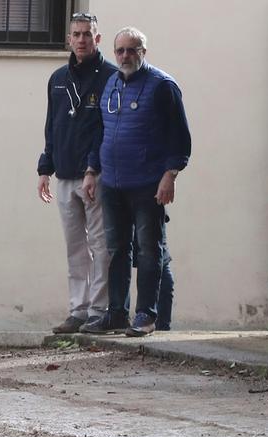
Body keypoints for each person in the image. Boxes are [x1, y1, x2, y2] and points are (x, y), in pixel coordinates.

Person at [81, 26, 191, 336]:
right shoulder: (112, 84)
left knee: (148, 250)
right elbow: (100, 131)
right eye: (120, 51)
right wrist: (92, 171)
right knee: (116, 250)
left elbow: (179, 137)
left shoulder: (162, 86)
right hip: (113, 184)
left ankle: (146, 315)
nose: (125, 56)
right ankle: (117, 314)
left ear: (143, 52)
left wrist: (170, 175)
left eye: (132, 50)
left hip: (148, 184)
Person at [37, 12, 117, 334]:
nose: (82, 40)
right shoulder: (57, 78)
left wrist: (92, 168)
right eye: (76, 34)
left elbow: (106, 128)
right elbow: (52, 126)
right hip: (65, 175)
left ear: (97, 39)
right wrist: (45, 167)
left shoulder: (110, 76)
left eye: (87, 34)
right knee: (74, 248)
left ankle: (100, 310)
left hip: (94, 177)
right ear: (69, 39)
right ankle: (78, 310)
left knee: (99, 245)